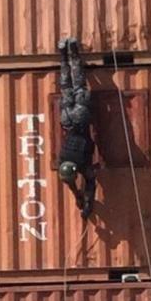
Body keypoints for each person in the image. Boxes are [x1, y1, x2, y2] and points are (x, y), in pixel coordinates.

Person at [57, 36, 97, 219]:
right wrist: (80, 198)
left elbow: (90, 183)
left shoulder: (81, 165)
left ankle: (73, 51)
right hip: (66, 118)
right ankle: (64, 53)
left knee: (79, 84)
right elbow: (73, 183)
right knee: (66, 85)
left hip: (81, 118)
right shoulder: (62, 161)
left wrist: (86, 203)